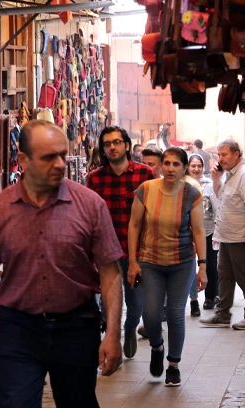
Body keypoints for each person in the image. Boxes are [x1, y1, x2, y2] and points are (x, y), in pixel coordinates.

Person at [0, 120, 123, 407]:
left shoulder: (89, 205)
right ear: (23, 160)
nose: (61, 164)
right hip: (19, 331)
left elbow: (111, 273)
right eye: (49, 157)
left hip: (77, 326)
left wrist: (113, 335)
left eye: (63, 154)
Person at [127, 147, 207, 386]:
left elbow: (199, 231)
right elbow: (134, 226)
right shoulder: (146, 190)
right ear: (161, 166)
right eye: (167, 163)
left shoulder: (192, 194)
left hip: (181, 263)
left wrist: (202, 266)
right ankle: (157, 346)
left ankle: (173, 365)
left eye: (176, 164)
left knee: (174, 313)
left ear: (184, 169)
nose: (171, 168)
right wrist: (132, 261)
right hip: (150, 261)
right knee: (150, 313)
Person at [86, 126, 158, 360]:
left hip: (135, 251)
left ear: (127, 146)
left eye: (117, 142)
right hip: (106, 251)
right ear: (103, 150)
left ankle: (129, 330)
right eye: (107, 144)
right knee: (106, 300)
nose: (112, 147)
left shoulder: (145, 174)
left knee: (135, 300)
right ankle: (111, 338)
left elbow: (154, 212)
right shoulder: (95, 178)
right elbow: (88, 216)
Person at [199, 139, 245, 330]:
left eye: (224, 154)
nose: (220, 159)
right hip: (227, 236)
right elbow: (222, 198)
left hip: (240, 238)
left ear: (236, 154)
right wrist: (217, 179)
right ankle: (222, 314)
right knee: (225, 276)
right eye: (219, 155)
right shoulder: (230, 175)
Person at [187, 153, 221, 314]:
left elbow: (215, 206)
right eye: (193, 165)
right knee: (189, 266)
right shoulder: (182, 183)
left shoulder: (208, 184)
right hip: (186, 233)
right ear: (187, 167)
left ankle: (210, 297)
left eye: (199, 166)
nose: (196, 169)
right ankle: (193, 300)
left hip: (207, 231)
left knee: (210, 265)